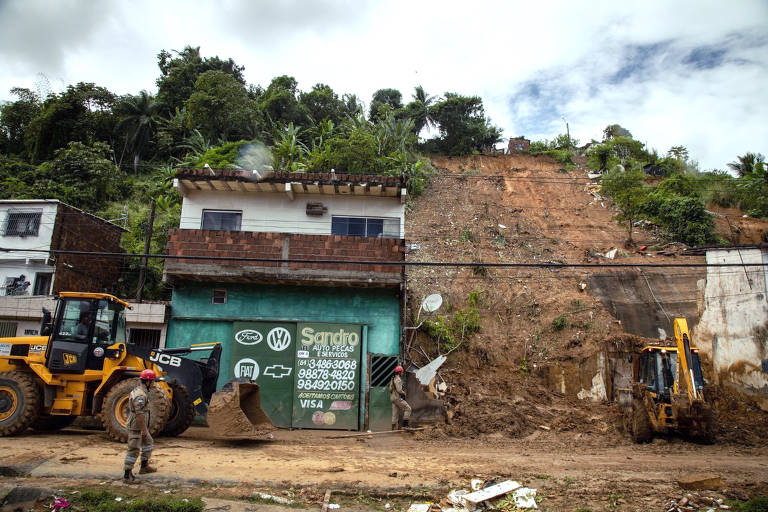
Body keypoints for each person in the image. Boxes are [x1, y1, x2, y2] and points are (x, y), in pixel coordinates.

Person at [123, 369, 158, 483]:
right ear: (147, 382)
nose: (154, 384)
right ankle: (127, 475)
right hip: (136, 426)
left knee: (148, 443)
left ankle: (144, 466)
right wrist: (143, 429)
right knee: (133, 449)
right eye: (153, 381)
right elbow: (139, 414)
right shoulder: (140, 395)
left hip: (141, 426)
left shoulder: (142, 392)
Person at [390, 365, 412, 430]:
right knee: (408, 408)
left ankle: (393, 428)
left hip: (392, 398)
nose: (402, 373)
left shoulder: (393, 378)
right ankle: (405, 425)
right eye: (402, 372)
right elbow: (399, 390)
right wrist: (404, 393)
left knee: (395, 413)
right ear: (399, 372)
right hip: (397, 398)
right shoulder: (398, 379)